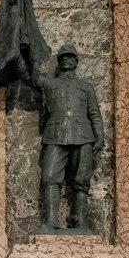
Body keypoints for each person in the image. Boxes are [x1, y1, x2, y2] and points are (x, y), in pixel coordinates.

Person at [36, 45, 102, 231]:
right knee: (50, 177)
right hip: (55, 135)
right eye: (63, 57)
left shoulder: (86, 87)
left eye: (70, 56)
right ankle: (50, 221)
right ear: (59, 61)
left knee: (81, 180)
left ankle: (80, 221)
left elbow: (94, 114)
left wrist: (100, 136)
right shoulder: (49, 84)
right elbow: (29, 75)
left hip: (83, 135)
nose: (66, 59)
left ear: (76, 61)